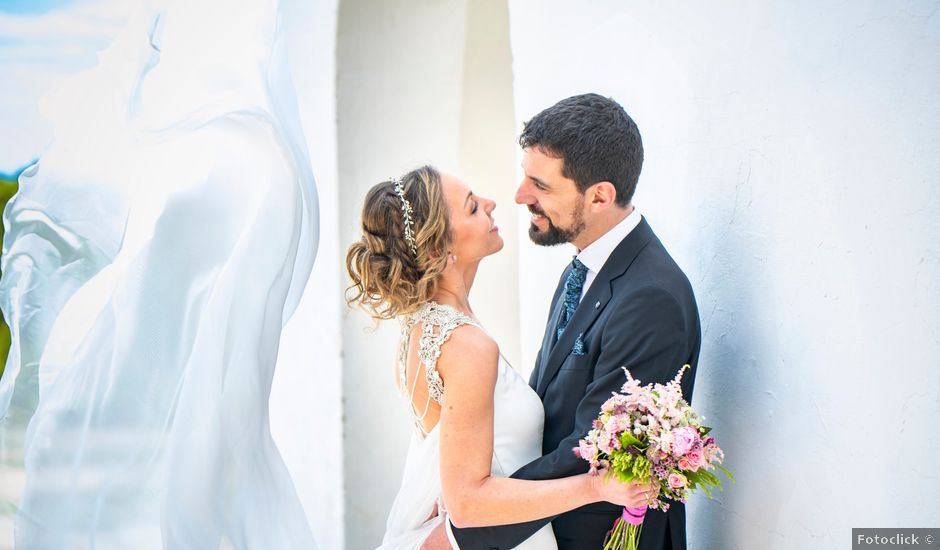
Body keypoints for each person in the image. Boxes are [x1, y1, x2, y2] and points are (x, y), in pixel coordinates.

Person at [425, 93, 702, 549]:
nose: (519, 196)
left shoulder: (650, 299)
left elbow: (589, 453)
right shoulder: (582, 269)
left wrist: (464, 528)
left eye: (541, 185)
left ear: (599, 196)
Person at [345, 166, 658, 549]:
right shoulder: (465, 345)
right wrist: (595, 486)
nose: (493, 204)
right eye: (473, 207)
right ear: (437, 251)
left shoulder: (418, 331)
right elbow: (467, 504)